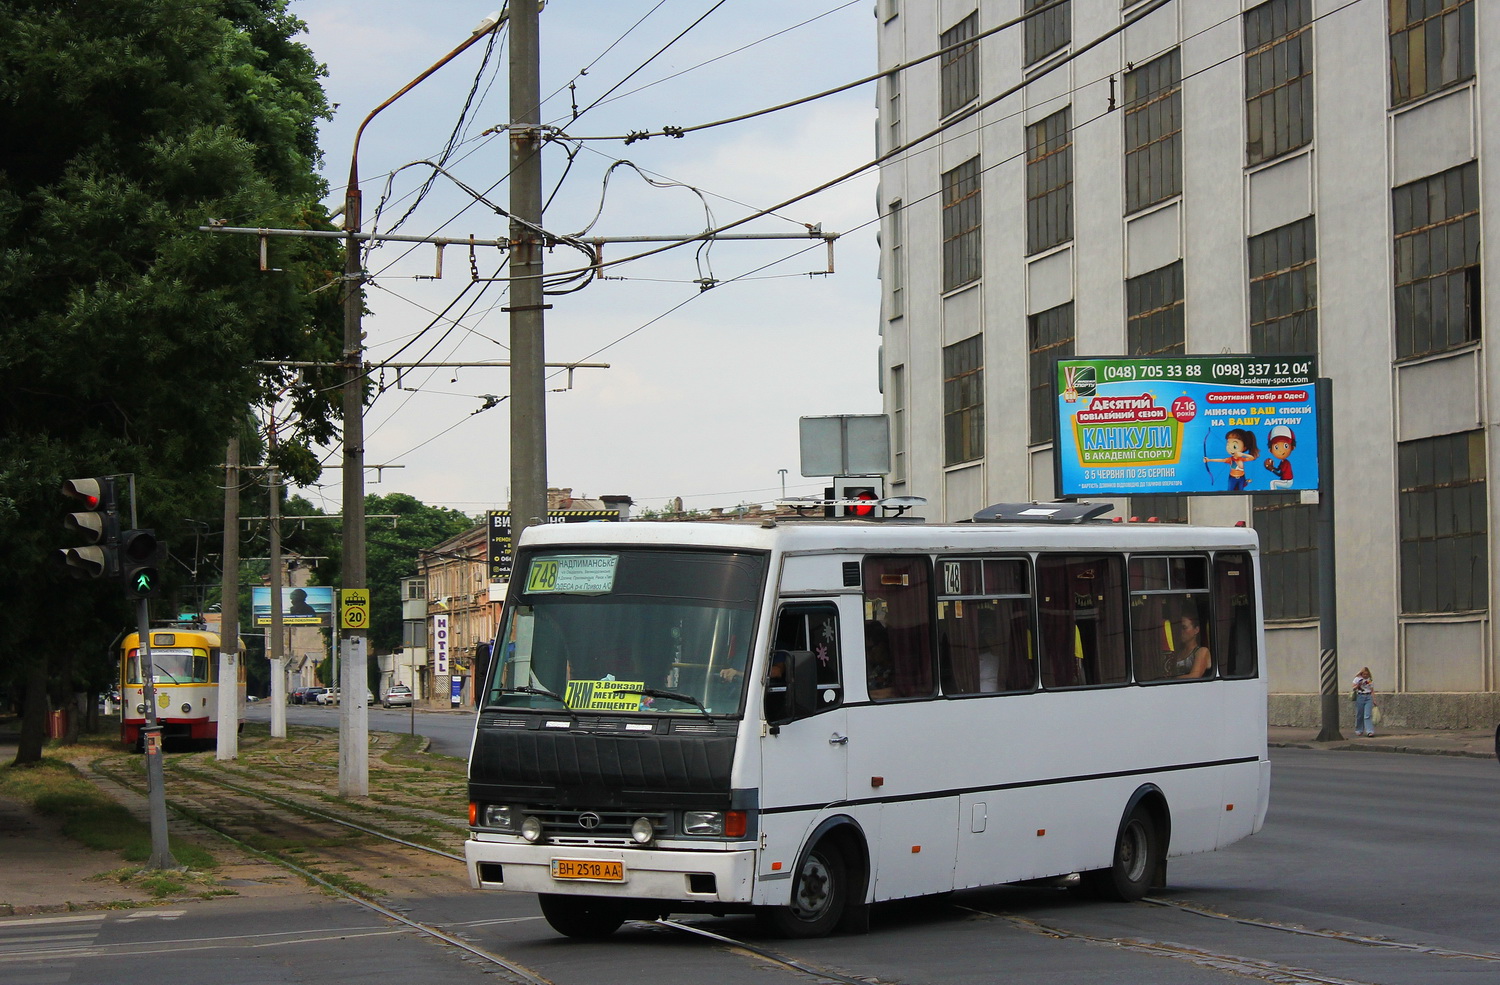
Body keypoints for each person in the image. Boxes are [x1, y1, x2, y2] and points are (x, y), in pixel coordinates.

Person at [1167, 613, 1212, 679]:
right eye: (1179, 628)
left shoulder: (1201, 651)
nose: (1180, 631)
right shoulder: (1177, 652)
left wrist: (1170, 679)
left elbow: (1195, 676)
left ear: (1196, 630)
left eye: (1184, 628)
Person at [865, 620, 896, 699]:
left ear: (882, 645)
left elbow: (895, 692)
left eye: (870, 648)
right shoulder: (875, 668)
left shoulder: (895, 670)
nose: (868, 654)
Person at [1352, 667, 1376, 736]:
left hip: (1368, 697)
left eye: (1367, 674)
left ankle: (1370, 731)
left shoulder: (1370, 680)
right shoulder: (1357, 679)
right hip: (1360, 696)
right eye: (1364, 674)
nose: (1365, 676)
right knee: (1360, 714)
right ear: (1361, 674)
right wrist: (1358, 685)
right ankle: (1359, 730)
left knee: (1367, 715)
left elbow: (1372, 690)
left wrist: (1374, 699)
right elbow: (1353, 688)